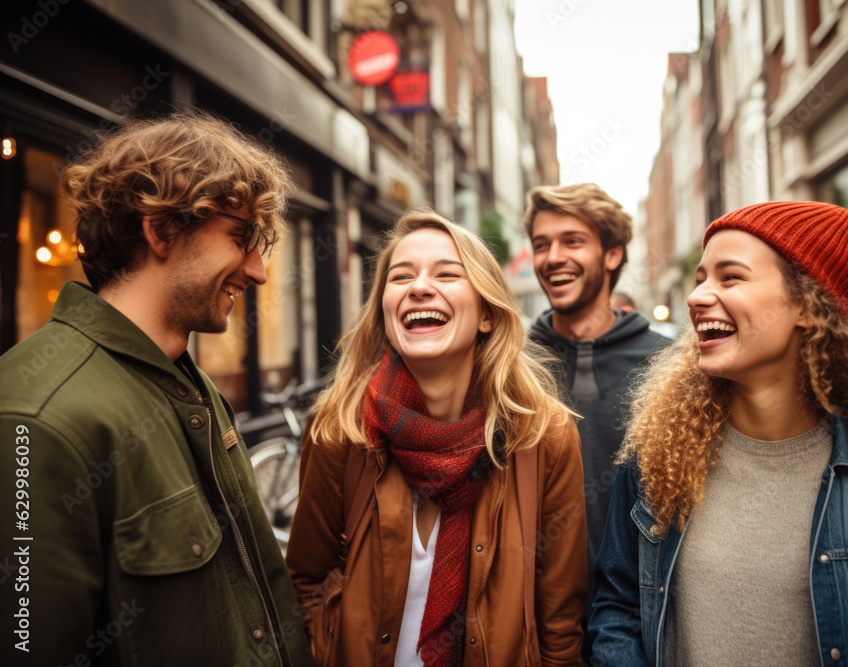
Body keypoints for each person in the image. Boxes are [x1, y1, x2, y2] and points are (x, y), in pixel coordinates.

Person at [589, 201, 848, 666]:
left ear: (808, 307)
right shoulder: (657, 457)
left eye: (731, 277)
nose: (696, 297)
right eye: (700, 279)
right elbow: (618, 609)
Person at [0, 112, 311, 666]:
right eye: (241, 239)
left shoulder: (188, 385)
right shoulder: (36, 417)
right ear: (161, 229)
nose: (258, 271)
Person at [285, 209, 587, 666]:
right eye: (400, 276)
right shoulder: (340, 430)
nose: (419, 287)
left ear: (487, 314)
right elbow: (305, 579)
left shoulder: (543, 435)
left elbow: (559, 614)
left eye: (447, 273)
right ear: (385, 311)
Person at [522, 183, 667, 656]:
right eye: (542, 244)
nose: (553, 257)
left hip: (644, 623)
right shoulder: (509, 363)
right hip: (530, 623)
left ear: (612, 255)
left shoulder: (670, 366)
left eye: (572, 241)